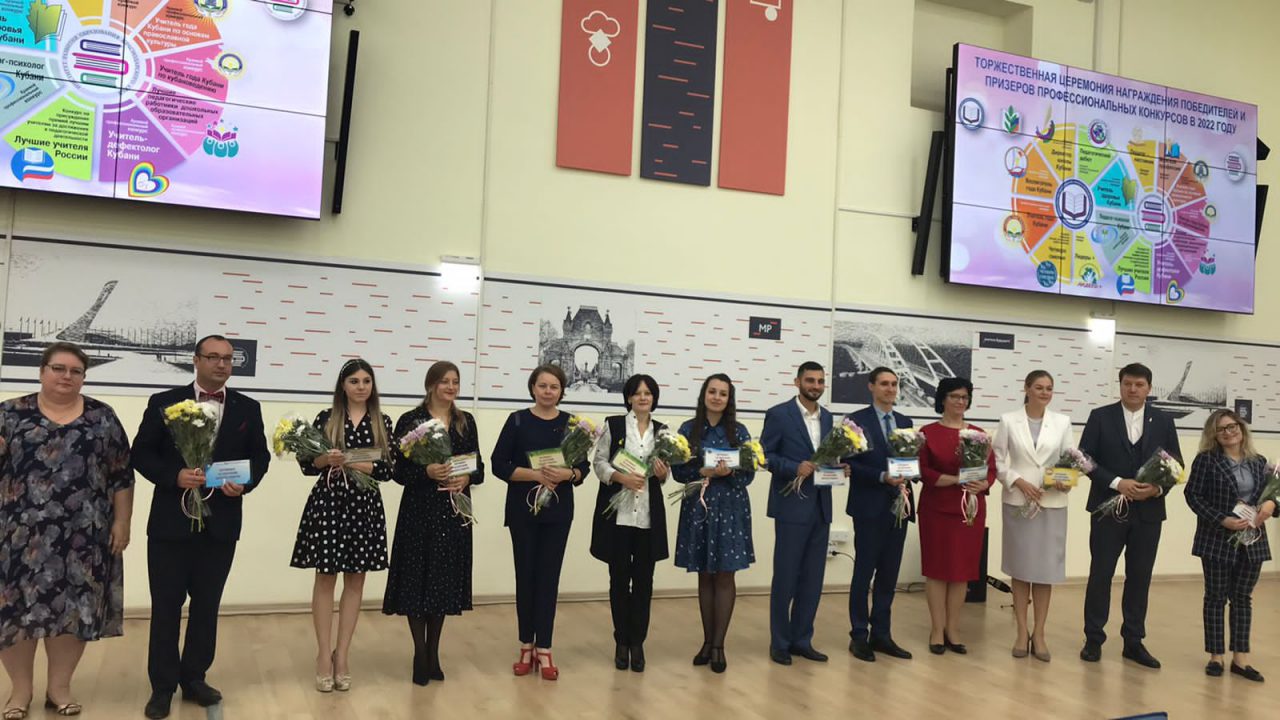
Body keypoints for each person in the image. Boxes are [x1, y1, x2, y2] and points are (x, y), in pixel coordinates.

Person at [132, 335, 270, 720]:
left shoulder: (248, 408)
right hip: (170, 524)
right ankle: (162, 686)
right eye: (213, 357)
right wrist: (173, 475)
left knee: (207, 607)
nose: (221, 364)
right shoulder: (164, 402)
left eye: (228, 358)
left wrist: (245, 483)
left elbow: (259, 457)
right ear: (196, 360)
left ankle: (194, 678)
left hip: (221, 524)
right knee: (166, 607)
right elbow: (141, 453)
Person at [0, 342, 134, 719]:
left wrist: (122, 522)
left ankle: (59, 688)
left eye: (75, 371)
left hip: (84, 536)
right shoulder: (10, 414)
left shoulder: (102, 417)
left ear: (83, 378)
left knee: (73, 612)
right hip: (17, 536)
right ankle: (20, 692)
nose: (66, 376)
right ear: (42, 371)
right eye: (58, 368)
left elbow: (121, 475)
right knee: (15, 613)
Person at [290, 359, 394, 692]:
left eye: (366, 381)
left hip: (365, 507)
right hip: (329, 504)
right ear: (343, 385)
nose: (361, 386)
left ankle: (342, 655)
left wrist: (350, 460)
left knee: (355, 580)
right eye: (354, 381)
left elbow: (388, 470)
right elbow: (308, 465)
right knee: (325, 578)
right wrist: (327, 459)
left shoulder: (383, 422)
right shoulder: (326, 418)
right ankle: (323, 654)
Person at [383, 361, 484, 686]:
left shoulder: (465, 421)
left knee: (441, 582)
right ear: (430, 385)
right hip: (419, 509)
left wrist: (466, 477)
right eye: (444, 381)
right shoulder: (410, 420)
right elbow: (397, 470)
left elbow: (478, 466)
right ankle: (419, 653)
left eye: (455, 381)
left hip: (453, 510)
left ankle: (434, 652)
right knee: (417, 580)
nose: (451, 387)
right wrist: (426, 472)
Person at [1079, 363, 1181, 668]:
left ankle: (1133, 642)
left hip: (1148, 513)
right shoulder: (1100, 416)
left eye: (1139, 384)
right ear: (1120, 385)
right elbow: (1084, 459)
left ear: (1149, 388)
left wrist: (1157, 489)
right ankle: (1093, 638)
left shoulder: (1163, 420)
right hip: (1107, 509)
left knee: (1140, 577)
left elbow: (1175, 464)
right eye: (1127, 383)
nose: (1133, 389)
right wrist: (1116, 483)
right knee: (1101, 574)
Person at [491, 364, 589, 681]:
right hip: (523, 511)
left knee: (548, 579)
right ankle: (526, 645)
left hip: (558, 513)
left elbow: (583, 469)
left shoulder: (573, 425)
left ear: (562, 391)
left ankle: (544, 647)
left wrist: (567, 474)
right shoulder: (517, 420)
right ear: (533, 388)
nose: (548, 391)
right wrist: (535, 475)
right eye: (542, 386)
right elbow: (498, 464)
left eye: (554, 387)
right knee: (526, 577)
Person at [673, 373, 756, 674]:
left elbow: (749, 474)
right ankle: (707, 642)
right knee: (704, 575)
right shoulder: (688, 430)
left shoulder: (740, 432)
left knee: (724, 575)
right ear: (704, 394)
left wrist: (728, 473)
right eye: (712, 391)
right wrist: (703, 471)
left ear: (729, 399)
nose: (717, 397)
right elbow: (678, 472)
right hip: (699, 506)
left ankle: (719, 645)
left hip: (731, 507)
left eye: (723, 393)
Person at [1185, 409, 1274, 682]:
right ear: (1213, 434)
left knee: (1242, 598)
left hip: (1252, 540)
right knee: (1215, 597)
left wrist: (1272, 504)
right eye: (1221, 429)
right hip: (1217, 539)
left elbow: (1273, 494)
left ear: (1241, 428)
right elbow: (1193, 496)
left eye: (1232, 426)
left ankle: (1240, 659)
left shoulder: (1259, 462)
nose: (1228, 432)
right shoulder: (1206, 461)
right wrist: (1222, 520)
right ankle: (1216, 656)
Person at [590, 374, 670, 673]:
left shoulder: (663, 431)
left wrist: (662, 473)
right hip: (619, 516)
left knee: (645, 582)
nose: (643, 397)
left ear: (654, 398)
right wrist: (620, 477)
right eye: (637, 393)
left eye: (648, 393)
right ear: (628, 398)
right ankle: (621, 641)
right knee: (619, 580)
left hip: (647, 517)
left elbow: (665, 475)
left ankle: (638, 643)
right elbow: (598, 463)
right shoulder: (613, 425)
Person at [992, 370, 1075, 662]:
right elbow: (997, 460)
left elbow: (1069, 460)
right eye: (1039, 387)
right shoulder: (1008, 420)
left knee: (1044, 571)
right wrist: (1017, 481)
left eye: (1049, 388)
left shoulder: (1062, 422)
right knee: (1020, 569)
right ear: (1026, 388)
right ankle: (1020, 631)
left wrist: (1064, 481)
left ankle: (1039, 633)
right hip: (1018, 501)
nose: (1044, 393)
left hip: (1051, 502)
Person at [761, 361, 839, 665]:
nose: (815, 386)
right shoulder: (779, 414)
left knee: (813, 579)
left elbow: (827, 460)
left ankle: (802, 640)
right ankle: (780, 642)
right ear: (797, 382)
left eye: (820, 381)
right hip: (791, 506)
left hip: (821, 506)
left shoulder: (828, 417)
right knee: (786, 577)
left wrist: (838, 469)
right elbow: (765, 456)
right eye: (810, 380)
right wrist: (794, 467)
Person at [917, 377, 995, 655]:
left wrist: (984, 483)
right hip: (937, 508)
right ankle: (937, 630)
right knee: (937, 570)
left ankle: (953, 628)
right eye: (954, 396)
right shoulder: (927, 433)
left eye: (964, 397)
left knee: (962, 571)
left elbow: (991, 469)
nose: (960, 402)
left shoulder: (978, 434)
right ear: (943, 399)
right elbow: (922, 470)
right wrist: (954, 479)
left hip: (969, 510)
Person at [845, 367, 914, 662]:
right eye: (884, 384)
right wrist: (882, 476)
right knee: (864, 573)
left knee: (889, 574)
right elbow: (848, 464)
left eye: (894, 384)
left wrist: (911, 472)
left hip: (899, 506)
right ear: (871, 386)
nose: (890, 389)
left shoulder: (905, 422)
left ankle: (882, 634)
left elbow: (910, 461)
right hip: (868, 506)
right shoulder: (855, 421)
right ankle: (859, 635)